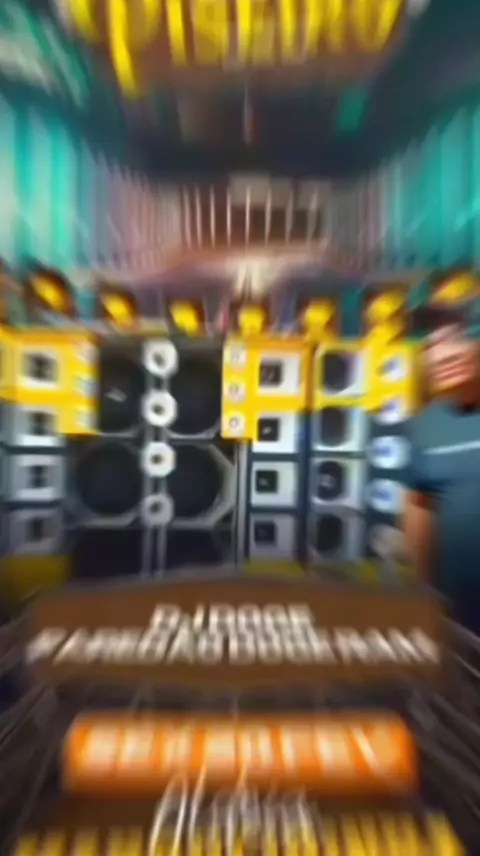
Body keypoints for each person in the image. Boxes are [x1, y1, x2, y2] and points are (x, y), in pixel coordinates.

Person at [403, 300, 480, 631]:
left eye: (455, 339)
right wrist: (422, 595)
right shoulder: (426, 427)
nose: (442, 356)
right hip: (458, 624)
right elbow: (419, 510)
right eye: (429, 347)